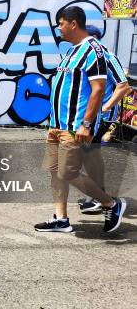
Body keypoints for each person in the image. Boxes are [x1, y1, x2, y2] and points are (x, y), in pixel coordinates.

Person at [34, 7, 126, 233]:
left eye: (61, 23)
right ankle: (60, 218)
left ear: (73, 24)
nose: (59, 28)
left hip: (74, 126)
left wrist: (86, 123)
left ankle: (110, 204)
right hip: (57, 124)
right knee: (55, 171)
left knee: (69, 173)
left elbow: (98, 89)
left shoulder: (93, 50)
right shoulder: (72, 51)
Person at [77, 25, 130, 213]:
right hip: (93, 115)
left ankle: (100, 197)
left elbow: (123, 86)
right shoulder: (92, 58)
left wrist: (107, 107)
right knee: (90, 154)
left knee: (89, 154)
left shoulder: (108, 57)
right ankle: (97, 195)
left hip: (103, 116)